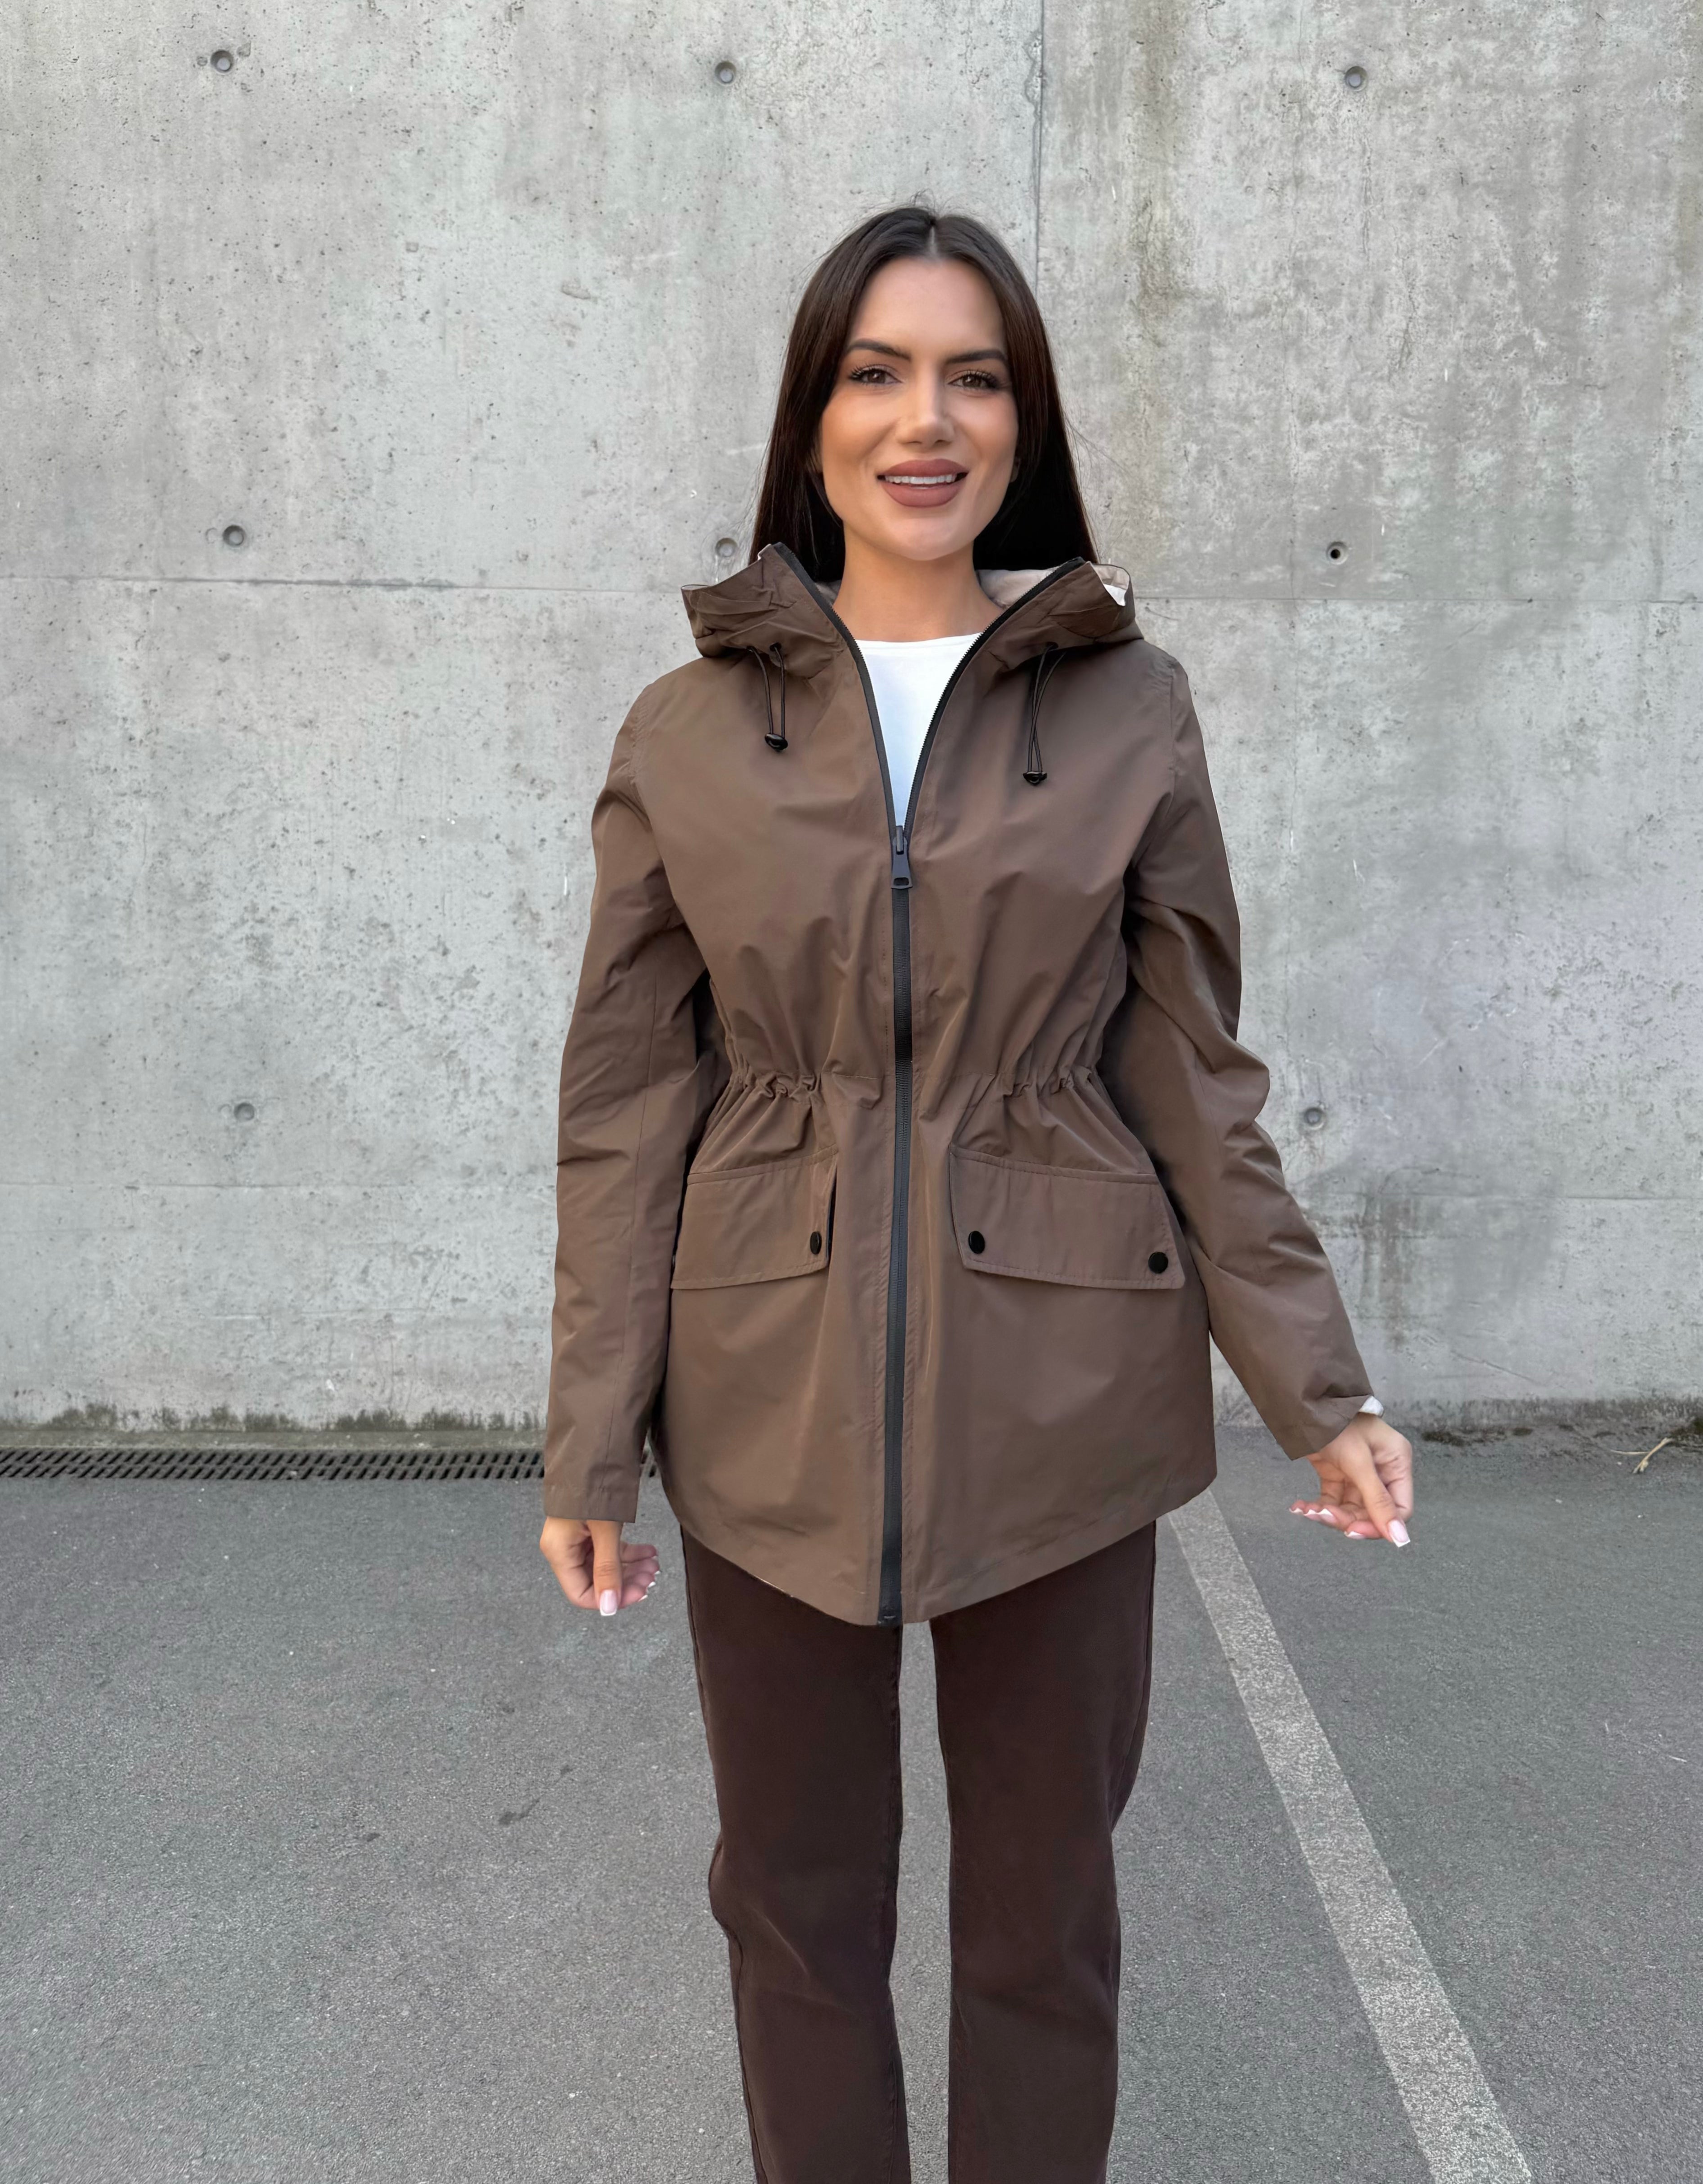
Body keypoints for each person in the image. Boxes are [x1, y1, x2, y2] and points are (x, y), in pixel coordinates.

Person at [539, 205, 1415, 2183]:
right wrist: (590, 1438)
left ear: (1026, 419)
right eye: (876, 372)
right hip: (763, 1395)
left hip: (1065, 1404)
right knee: (793, 1913)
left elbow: (1189, 1067)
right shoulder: (687, 729)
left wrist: (1317, 1386)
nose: (922, 420)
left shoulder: (1128, 706)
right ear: (813, 416)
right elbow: (626, 1102)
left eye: (973, 375)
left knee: (1041, 1928)